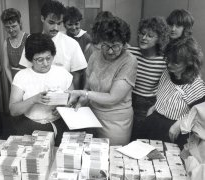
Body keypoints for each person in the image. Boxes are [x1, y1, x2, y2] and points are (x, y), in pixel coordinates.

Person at [68, 17, 137, 145]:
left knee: (112, 157)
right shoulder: (95, 55)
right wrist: (80, 104)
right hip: (91, 115)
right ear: (100, 42)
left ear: (124, 43)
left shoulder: (129, 61)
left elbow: (113, 97)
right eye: (106, 45)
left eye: (116, 46)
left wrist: (84, 94)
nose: (110, 51)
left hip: (115, 122)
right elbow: (87, 87)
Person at [9, 33, 73, 146]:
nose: (45, 63)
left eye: (49, 58)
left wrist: (64, 108)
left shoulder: (62, 73)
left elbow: (72, 99)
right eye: (39, 60)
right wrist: (34, 100)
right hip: (30, 125)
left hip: (59, 124)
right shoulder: (22, 76)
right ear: (30, 59)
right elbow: (13, 110)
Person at [141, 37, 205, 148]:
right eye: (168, 60)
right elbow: (166, 95)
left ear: (189, 62)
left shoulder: (195, 84)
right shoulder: (167, 72)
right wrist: (155, 107)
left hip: (173, 130)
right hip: (154, 122)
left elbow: (199, 115)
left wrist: (179, 124)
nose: (169, 64)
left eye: (175, 62)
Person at [19, 0, 87, 89]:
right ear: (42, 18)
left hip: (63, 96)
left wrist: (73, 97)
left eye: (59, 23)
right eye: (51, 23)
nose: (55, 28)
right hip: (37, 95)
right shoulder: (31, 41)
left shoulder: (72, 44)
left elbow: (77, 74)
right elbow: (26, 70)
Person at [128, 17, 169, 140]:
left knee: (137, 139)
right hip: (127, 100)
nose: (144, 38)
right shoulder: (130, 52)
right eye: (142, 33)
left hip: (148, 105)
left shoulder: (164, 61)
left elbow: (165, 89)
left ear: (159, 39)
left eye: (150, 35)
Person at [0, 8, 29, 83]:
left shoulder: (29, 38)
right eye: (7, 27)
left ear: (20, 23)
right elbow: (6, 67)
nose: (11, 30)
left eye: (13, 26)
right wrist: (12, 83)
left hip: (28, 78)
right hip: (14, 79)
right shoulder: (6, 42)